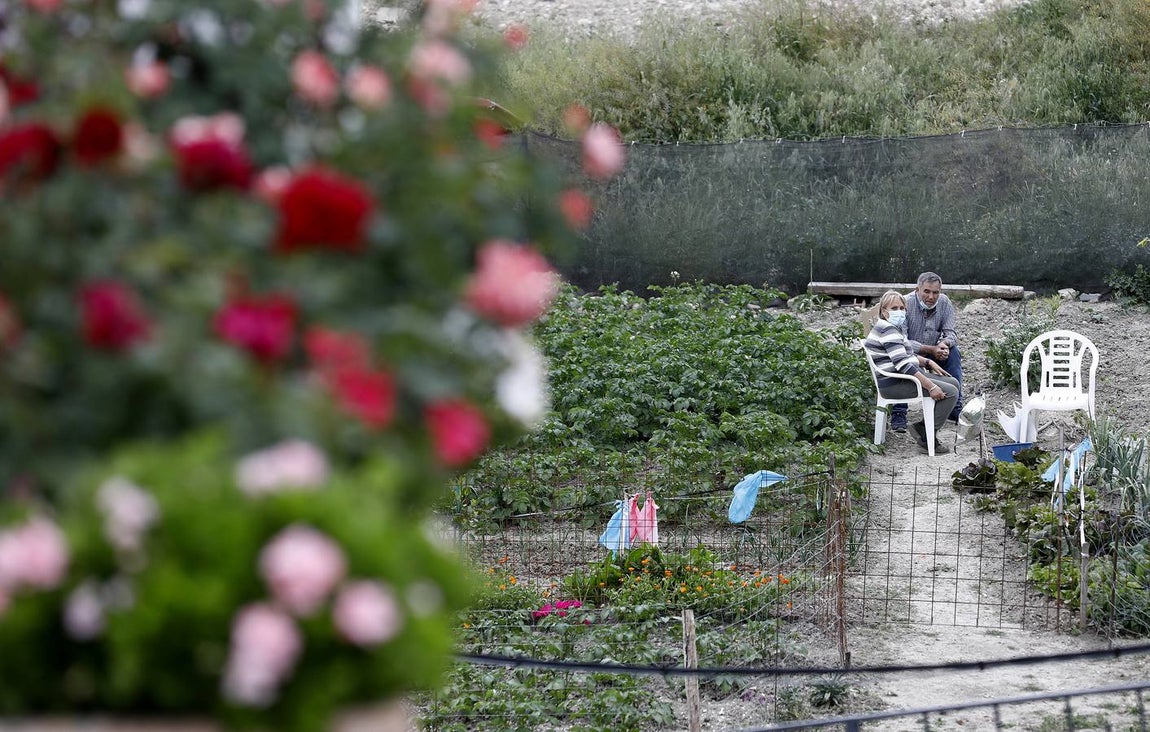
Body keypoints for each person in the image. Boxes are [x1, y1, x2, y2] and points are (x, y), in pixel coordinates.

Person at [865, 290, 960, 454]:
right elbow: (903, 365)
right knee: (950, 391)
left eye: (902, 308)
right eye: (894, 308)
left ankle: (922, 427)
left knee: (953, 382)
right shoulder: (889, 331)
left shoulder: (889, 327)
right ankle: (926, 437)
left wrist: (928, 362)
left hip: (901, 378)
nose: (899, 312)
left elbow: (905, 354)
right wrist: (931, 386)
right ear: (883, 311)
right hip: (894, 383)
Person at [890, 272, 964, 432]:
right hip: (910, 353)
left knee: (953, 353)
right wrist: (931, 349)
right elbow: (901, 341)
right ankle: (898, 412)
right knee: (905, 361)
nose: (931, 296)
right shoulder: (904, 304)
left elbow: (951, 333)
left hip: (933, 351)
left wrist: (944, 345)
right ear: (917, 289)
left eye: (936, 292)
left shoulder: (944, 303)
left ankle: (955, 407)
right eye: (927, 291)